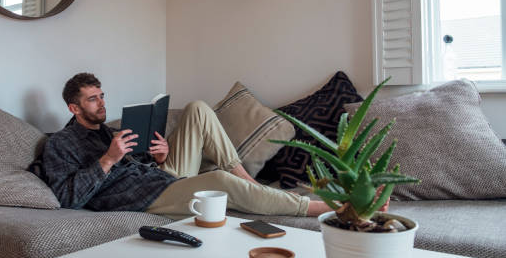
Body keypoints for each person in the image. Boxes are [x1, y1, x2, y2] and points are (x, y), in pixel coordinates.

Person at [40, 73, 343, 219]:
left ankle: (251, 182)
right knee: (220, 182)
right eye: (92, 99)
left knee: (197, 108)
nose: (102, 103)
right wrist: (107, 160)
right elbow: (68, 198)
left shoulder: (108, 132)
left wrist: (159, 156)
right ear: (73, 108)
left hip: (161, 177)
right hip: (143, 198)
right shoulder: (60, 143)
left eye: (102, 96)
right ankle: (317, 207)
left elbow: (136, 165)